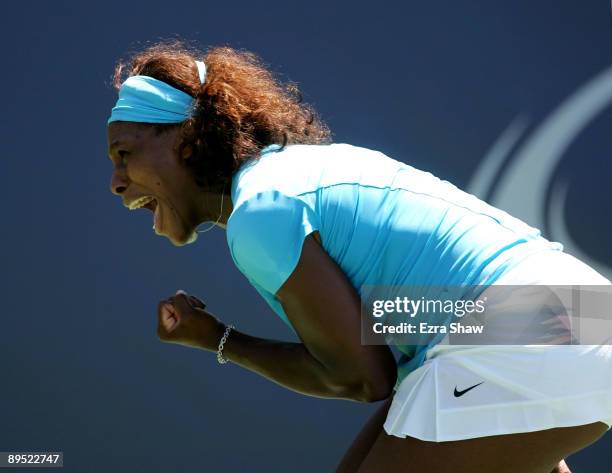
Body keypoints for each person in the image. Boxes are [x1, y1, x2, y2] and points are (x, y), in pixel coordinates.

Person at [106, 40, 612, 473]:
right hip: (584, 313)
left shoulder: (260, 213)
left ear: (188, 143)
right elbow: (402, 332)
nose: (116, 182)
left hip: (526, 329)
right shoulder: (301, 171)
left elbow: (360, 378)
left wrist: (218, 339)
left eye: (124, 154)